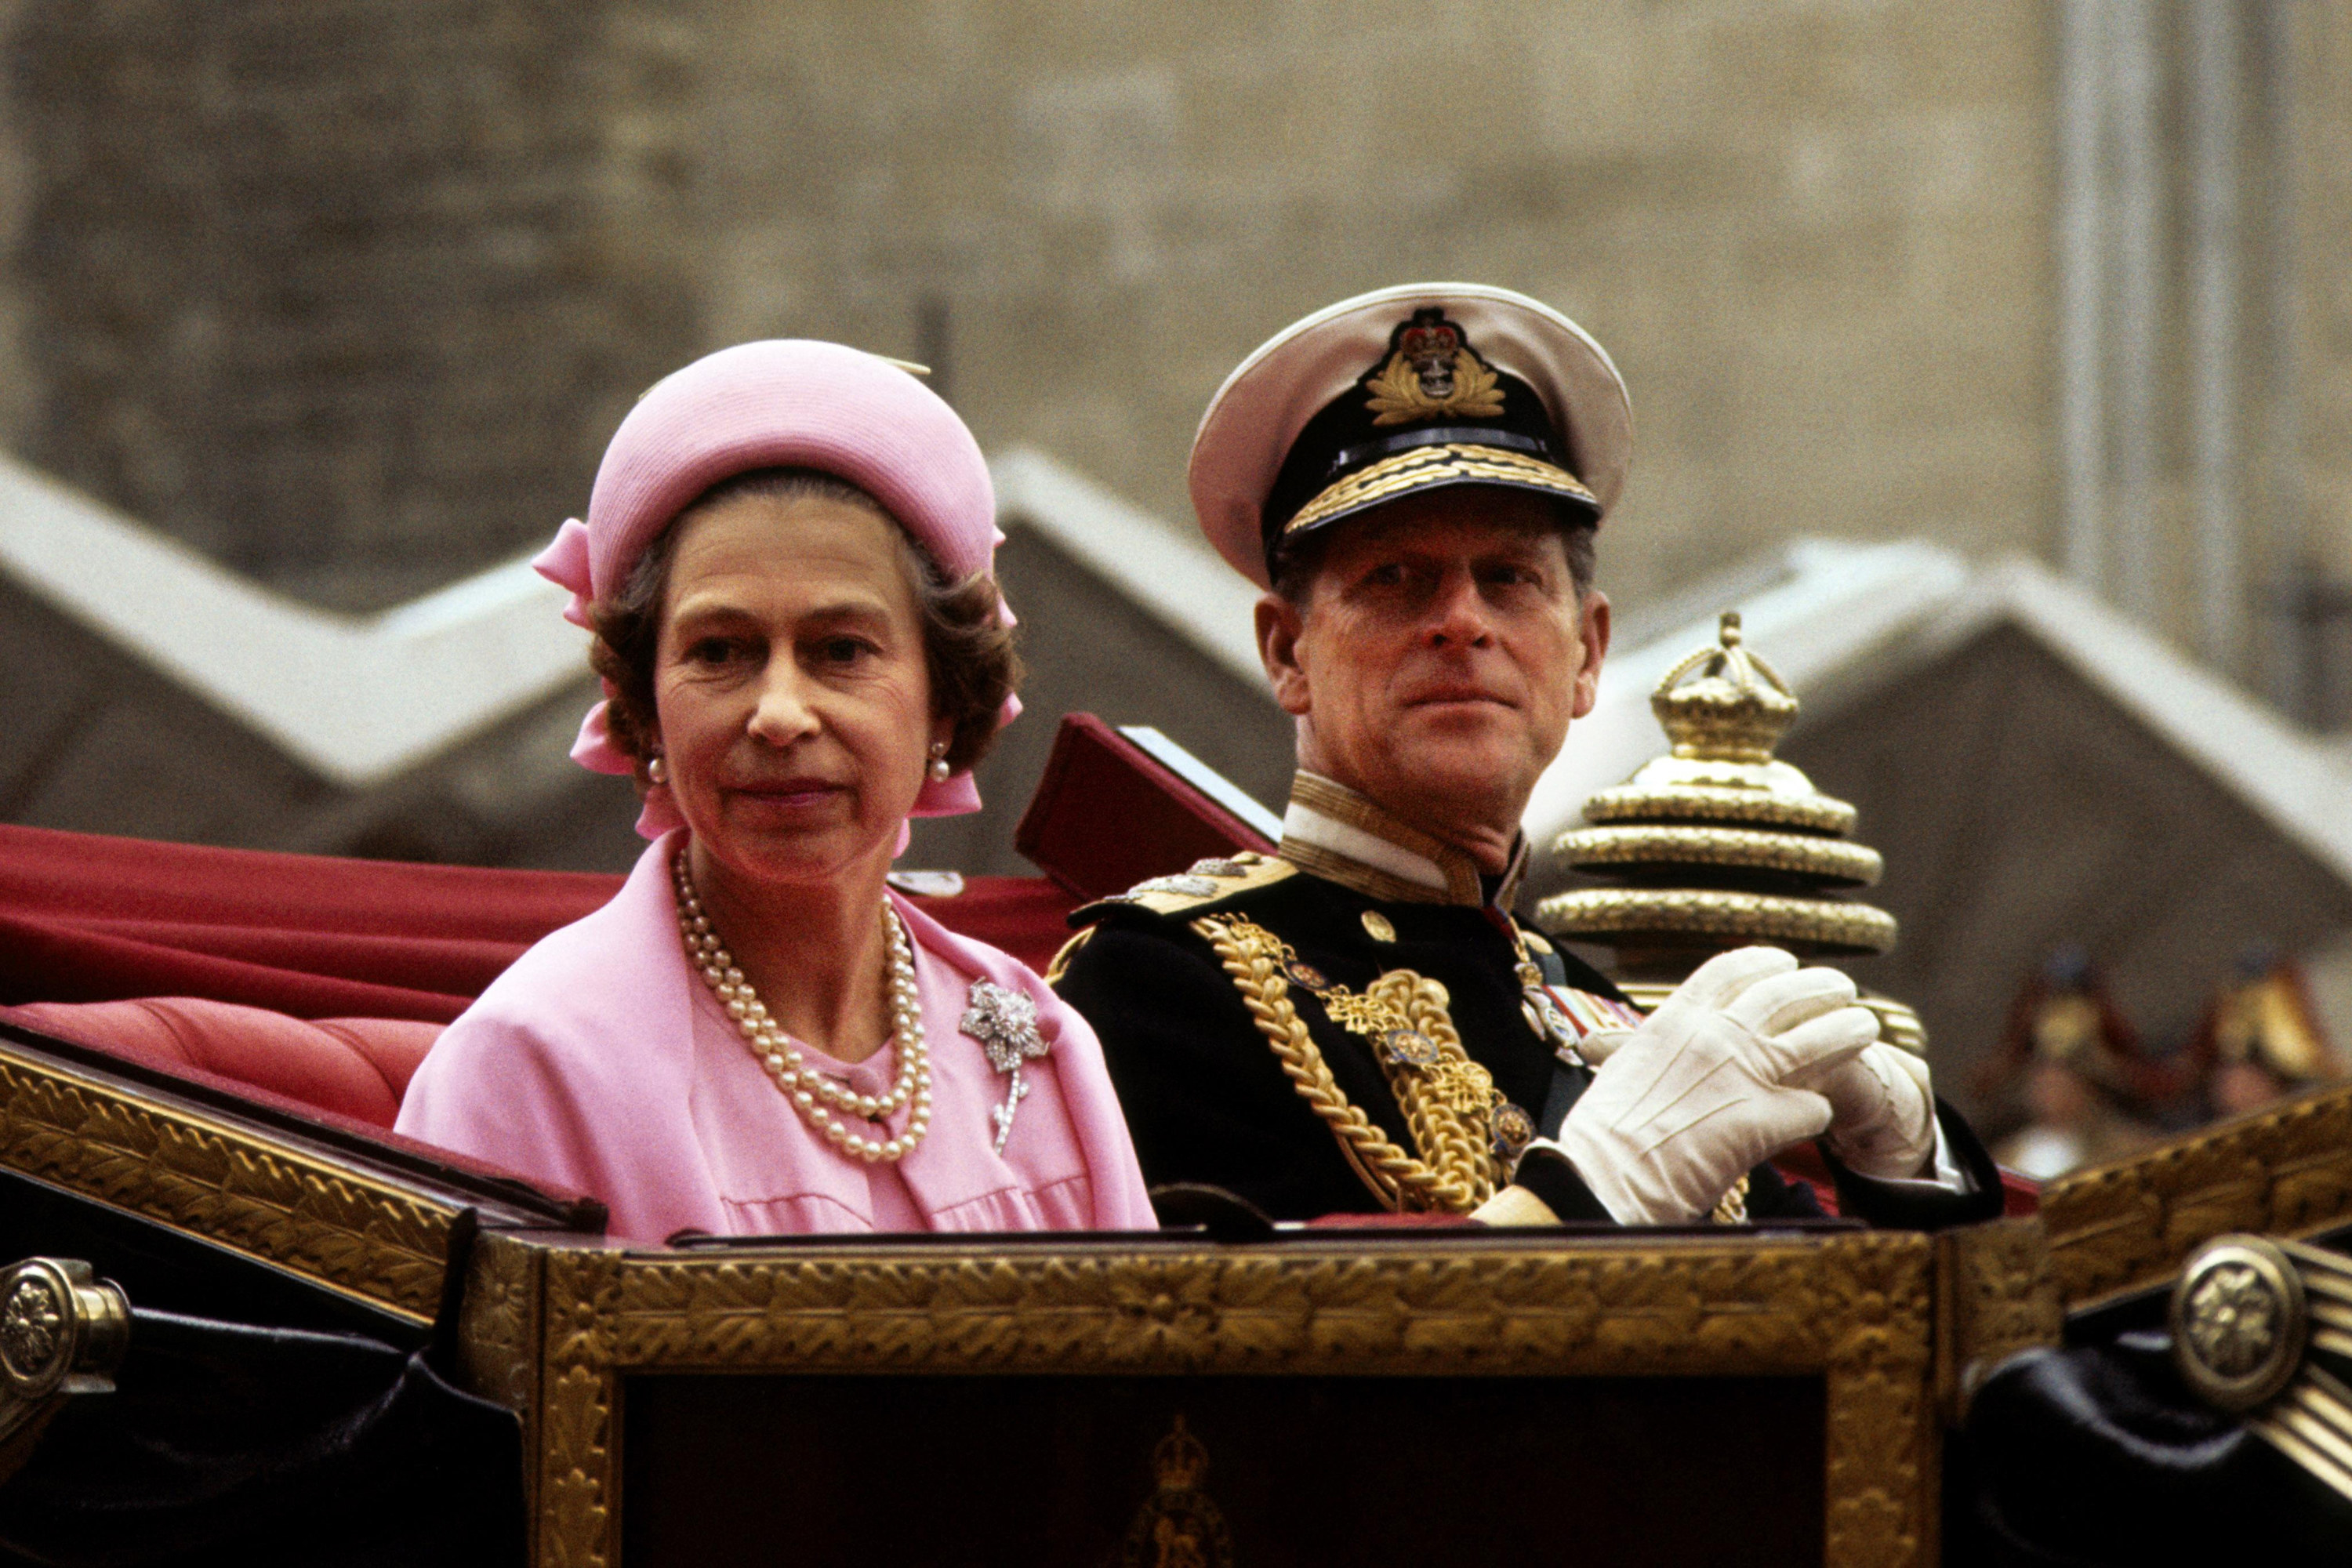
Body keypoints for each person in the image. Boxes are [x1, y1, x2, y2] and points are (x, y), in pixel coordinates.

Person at [1051, 284, 2002, 1228]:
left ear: (1587, 652)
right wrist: (1585, 1200)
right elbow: (1259, 1350)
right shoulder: (1163, 983)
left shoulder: (1601, 1016)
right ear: (1287, 651)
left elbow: (1852, 1321)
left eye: (1508, 578)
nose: (1461, 621)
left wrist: (1910, 1154)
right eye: (1396, 579)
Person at [397, 340, 1155, 1242]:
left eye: (842, 650)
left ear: (946, 703)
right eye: (719, 651)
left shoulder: (1040, 1042)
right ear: (642, 709)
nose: (781, 713)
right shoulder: (531, 1062)